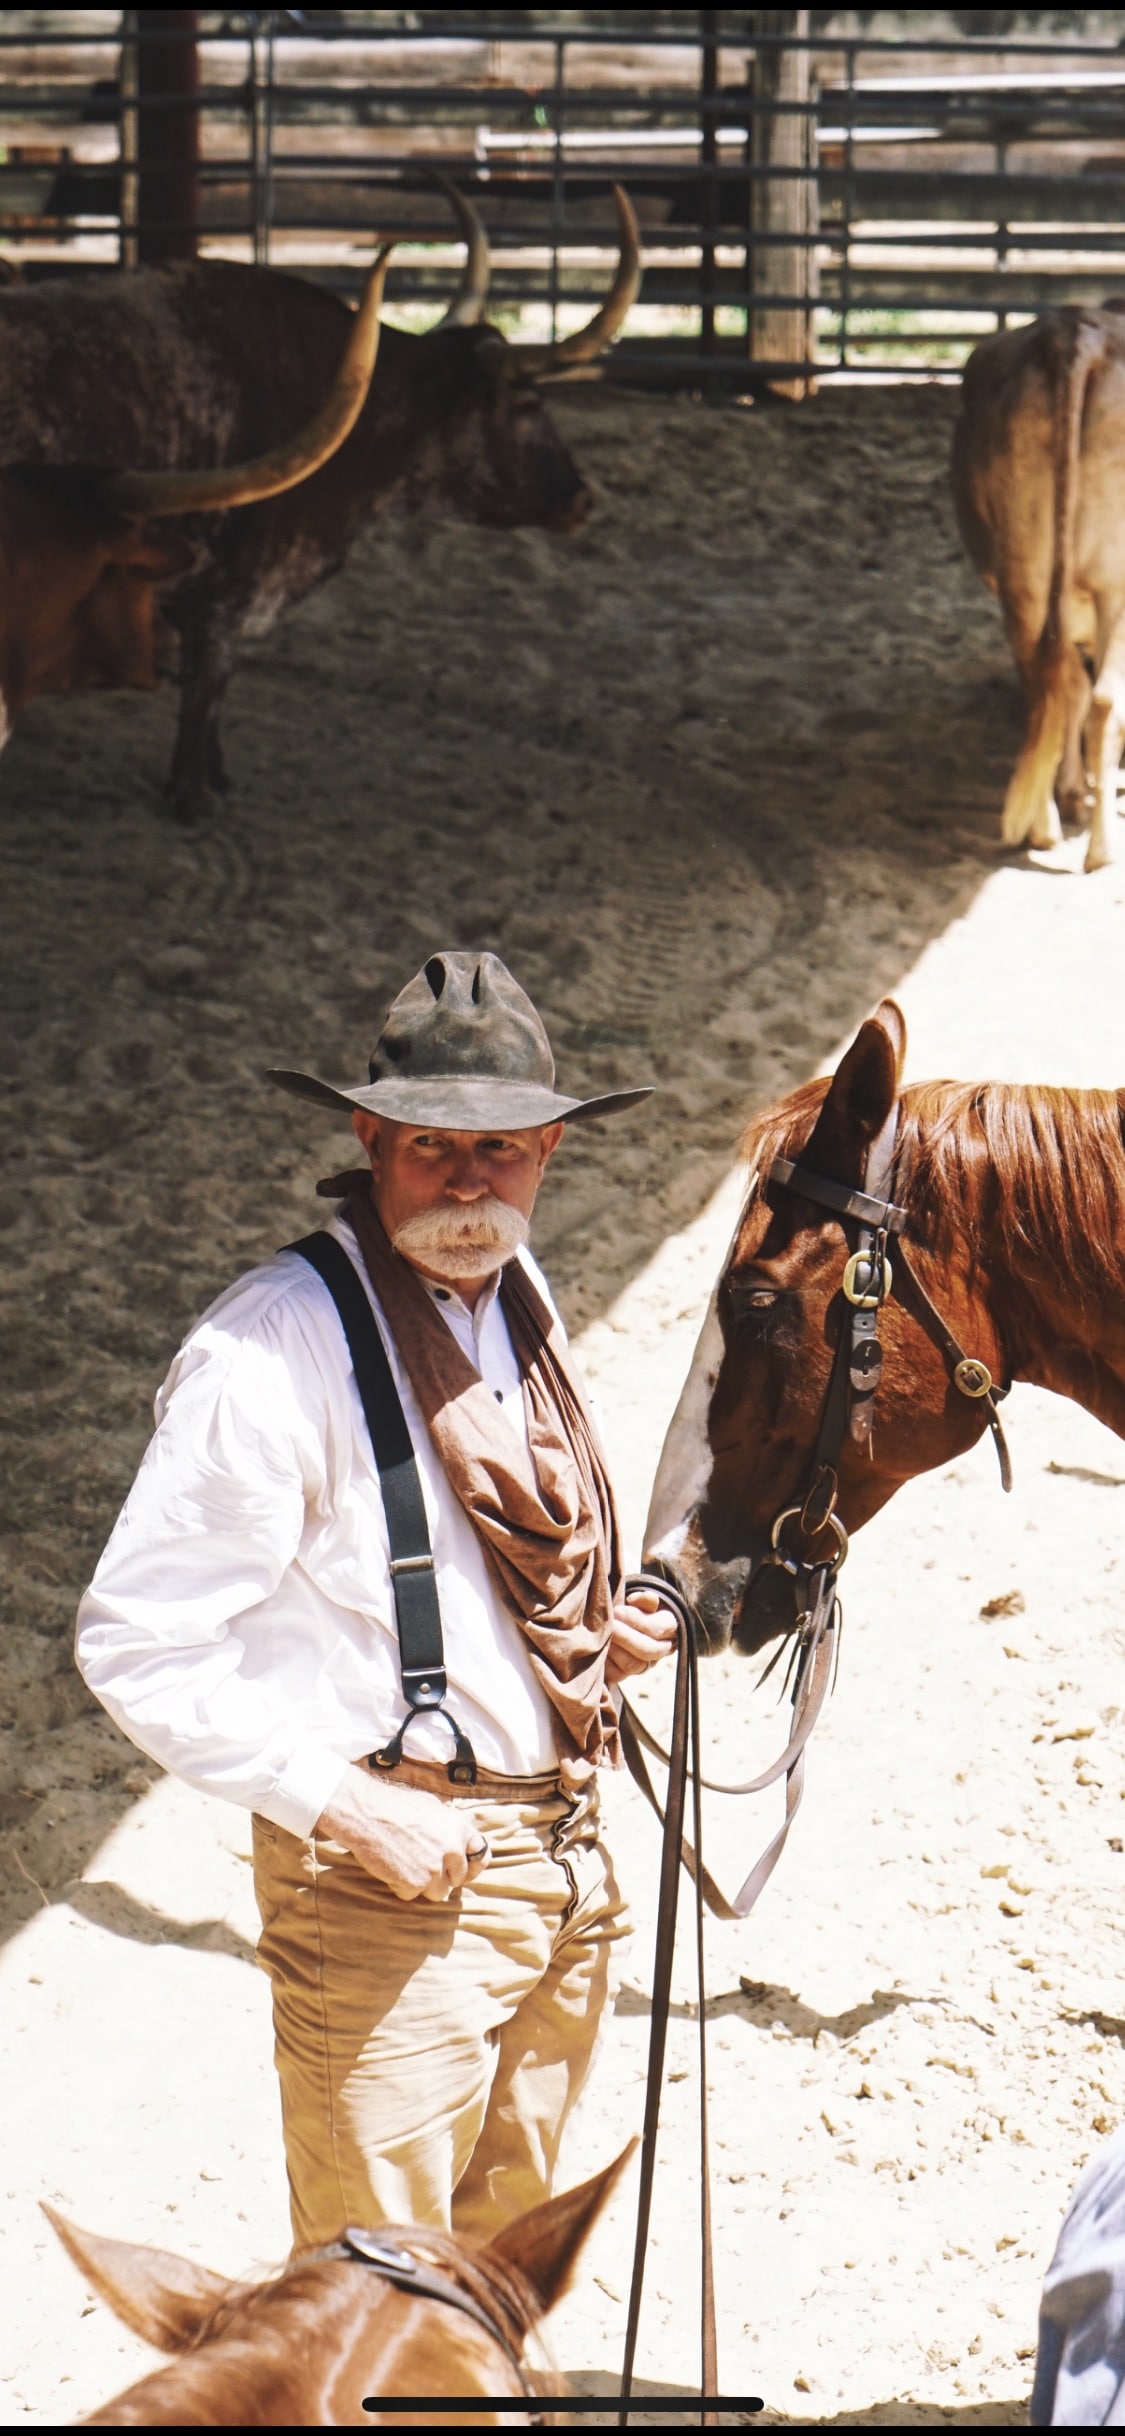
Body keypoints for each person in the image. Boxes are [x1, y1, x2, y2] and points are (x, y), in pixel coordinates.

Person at [75, 950, 676, 2248]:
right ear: (370, 1137)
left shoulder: (518, 1296)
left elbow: (498, 1558)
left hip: (561, 1861)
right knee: (380, 2302)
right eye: (434, 1146)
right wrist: (344, 1806)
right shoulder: (267, 1347)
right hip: (388, 1890)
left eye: (503, 1149)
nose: (470, 1182)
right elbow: (139, 1642)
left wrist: (589, 1635)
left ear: (550, 1153)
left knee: (500, 2283)